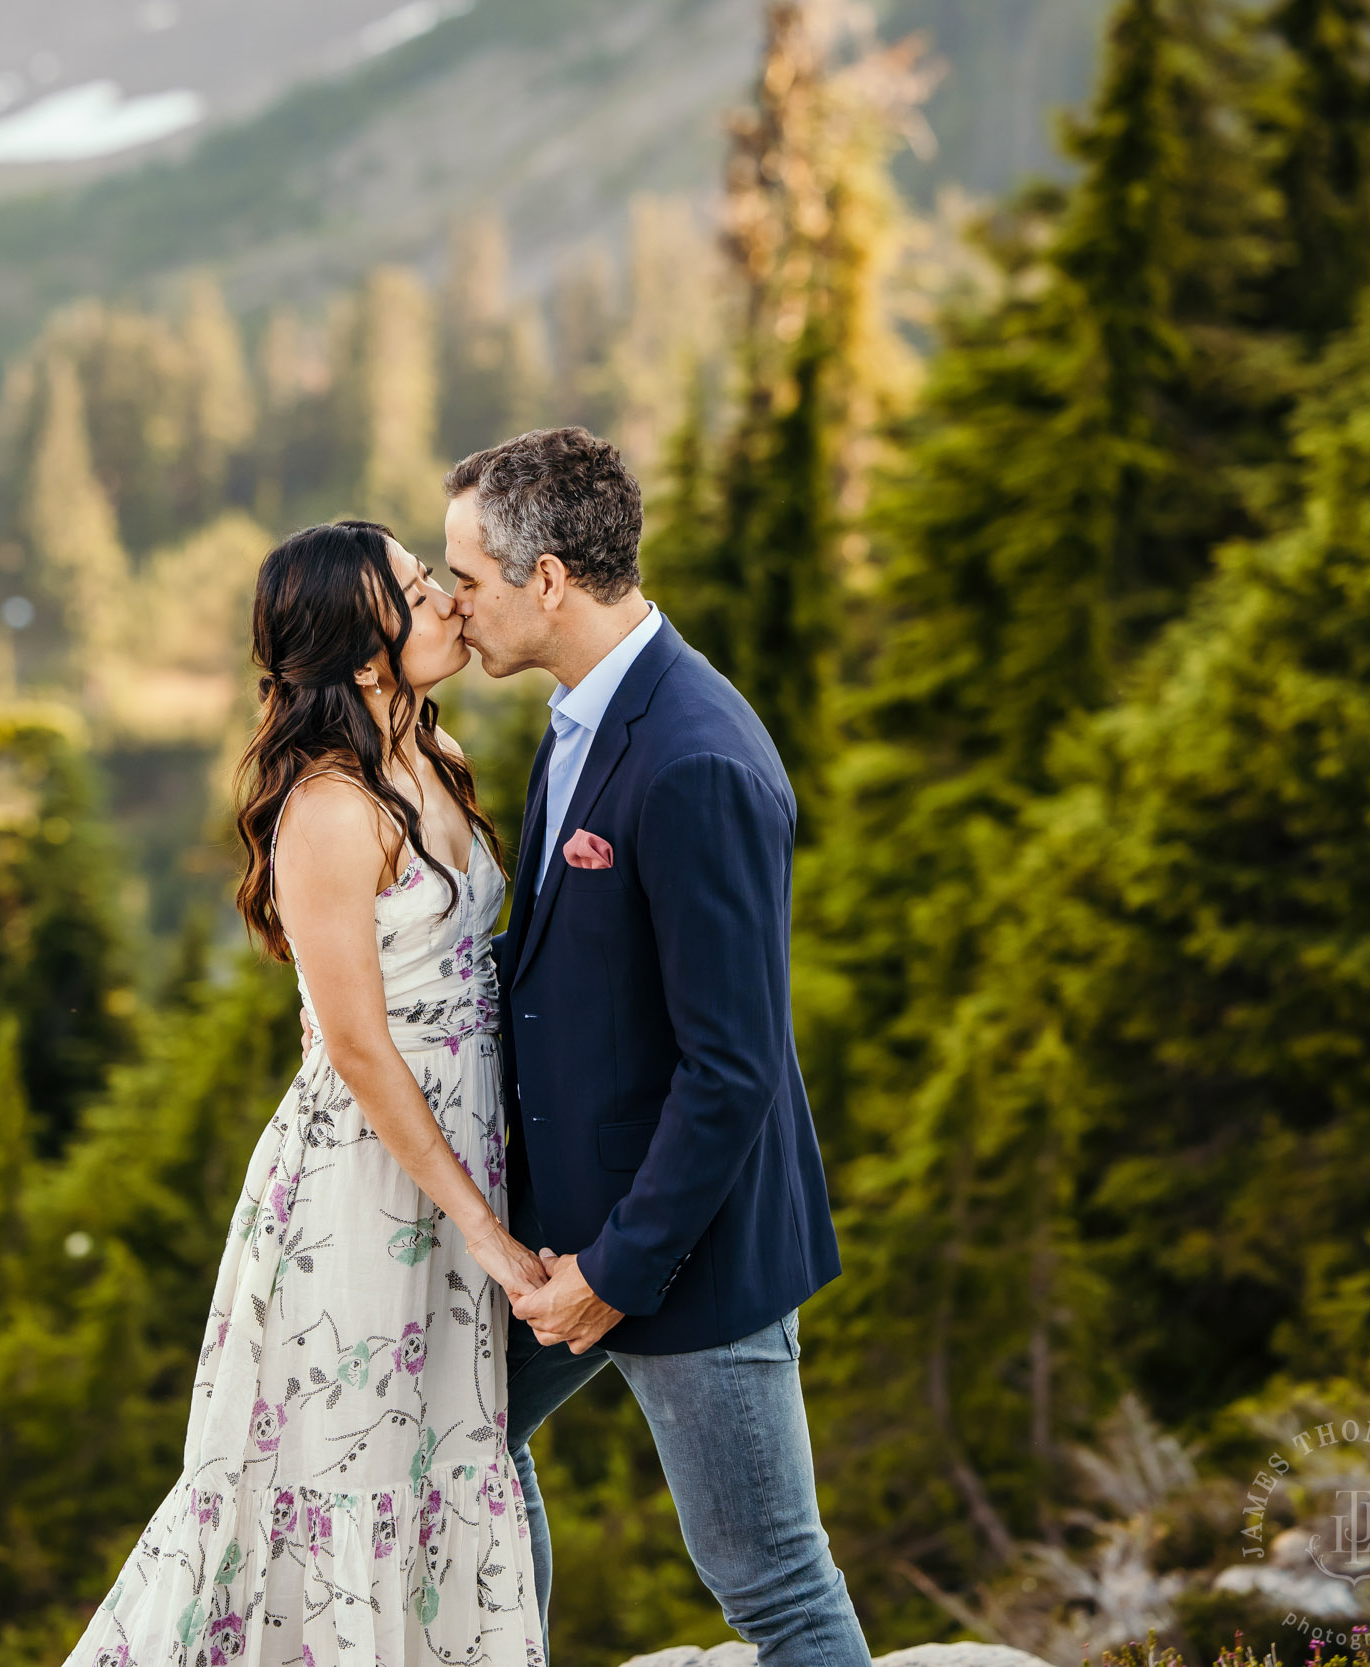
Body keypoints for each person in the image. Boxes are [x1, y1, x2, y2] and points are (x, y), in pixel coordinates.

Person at [63, 520, 548, 1667]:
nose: (447, 601)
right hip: (363, 1196)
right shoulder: (330, 808)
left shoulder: (432, 755)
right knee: (353, 1474)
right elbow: (357, 1046)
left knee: (447, 1451)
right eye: (419, 588)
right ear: (367, 650)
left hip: (452, 1167)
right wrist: (482, 1223)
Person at [441, 426, 870, 1667]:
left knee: (774, 1580)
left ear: (549, 581)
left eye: (466, 575)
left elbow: (732, 1066)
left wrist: (614, 1271)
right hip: (579, 1224)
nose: (450, 600)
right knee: (461, 1442)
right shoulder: (586, 712)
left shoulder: (694, 759)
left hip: (687, 1252)